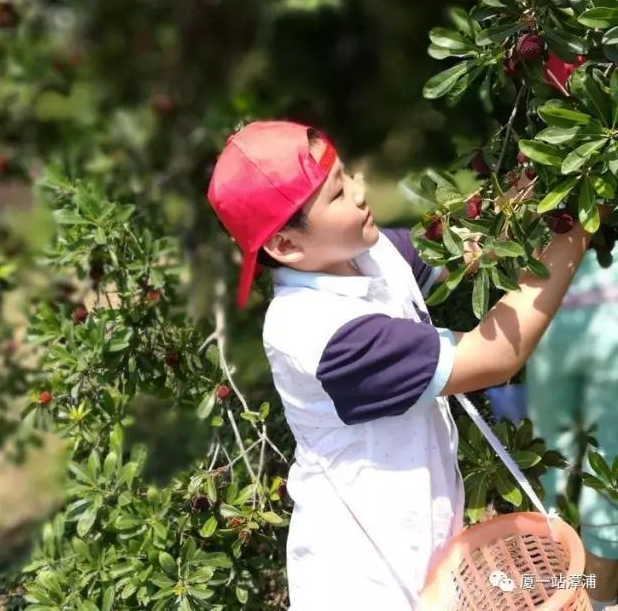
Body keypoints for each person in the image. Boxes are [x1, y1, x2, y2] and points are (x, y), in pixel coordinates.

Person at [206, 119, 607, 610]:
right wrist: (582, 221)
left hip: (426, 555)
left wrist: (544, 183)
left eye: (347, 174)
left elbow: (468, 245)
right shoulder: (320, 335)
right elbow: (494, 356)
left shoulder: (367, 257)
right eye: (336, 194)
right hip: (365, 583)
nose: (357, 191)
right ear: (286, 245)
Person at [525, 247, 618, 611]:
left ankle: (571, 589)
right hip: (558, 304)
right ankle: (593, 596)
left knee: (553, 457)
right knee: (605, 469)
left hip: (545, 300)